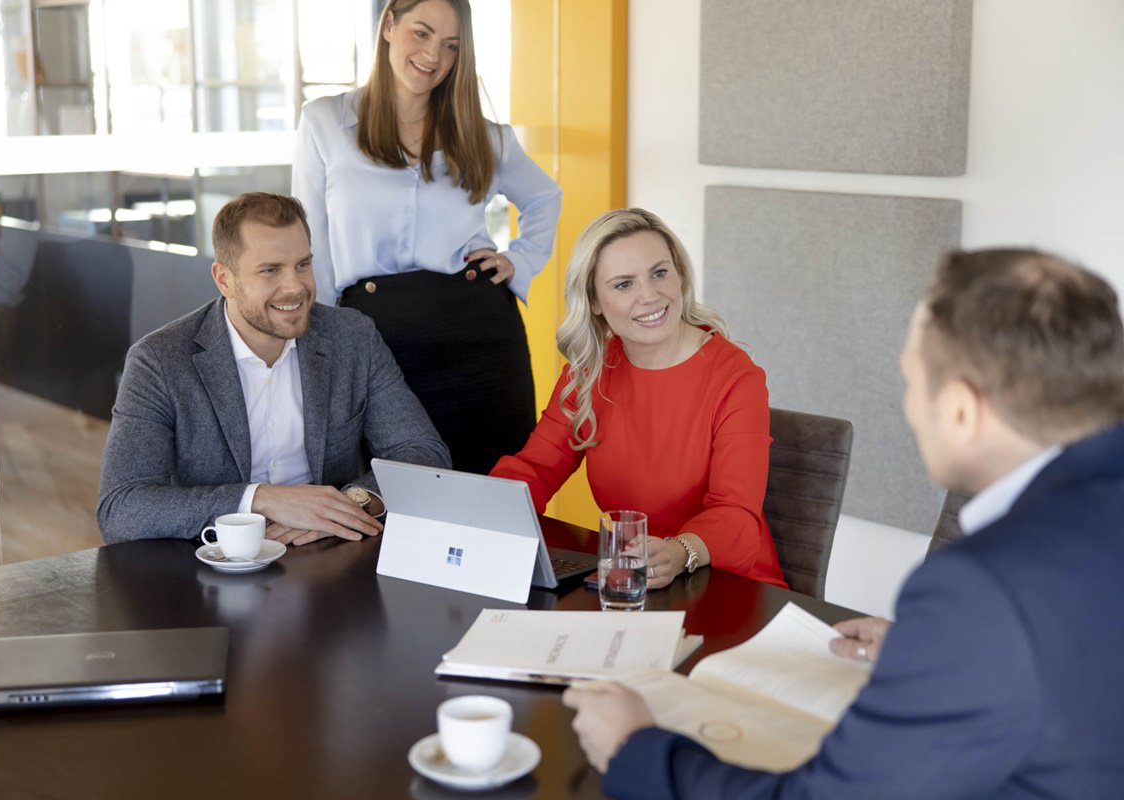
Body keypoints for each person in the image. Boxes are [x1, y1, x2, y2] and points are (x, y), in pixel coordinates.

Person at [564, 248, 1124, 798]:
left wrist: (635, 747)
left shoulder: (977, 591)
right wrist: (943, 649)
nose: (909, 407)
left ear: (959, 410)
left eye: (911, 383)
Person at [292, 0, 561, 475]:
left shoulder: (484, 136)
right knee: (379, 495)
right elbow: (312, 242)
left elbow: (544, 198)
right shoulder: (325, 123)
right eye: (422, 33)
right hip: (372, 336)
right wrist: (323, 336)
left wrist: (519, 259)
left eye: (451, 45)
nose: (433, 55)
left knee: (493, 492)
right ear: (389, 25)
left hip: (479, 334)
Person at [98, 192, 450, 546]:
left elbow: (423, 453)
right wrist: (263, 499)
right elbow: (122, 508)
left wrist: (341, 507)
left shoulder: (352, 337)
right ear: (224, 279)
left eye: (302, 265)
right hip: (212, 565)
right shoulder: (159, 360)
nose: (295, 286)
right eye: (270, 270)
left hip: (329, 554)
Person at [492, 208, 787, 589]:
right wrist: (480, 515)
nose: (650, 296)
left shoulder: (735, 377)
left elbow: (736, 515)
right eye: (624, 284)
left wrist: (680, 551)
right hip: (633, 581)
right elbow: (534, 468)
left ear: (679, 275)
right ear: (594, 302)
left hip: (729, 586)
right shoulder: (590, 369)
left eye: (659, 273)